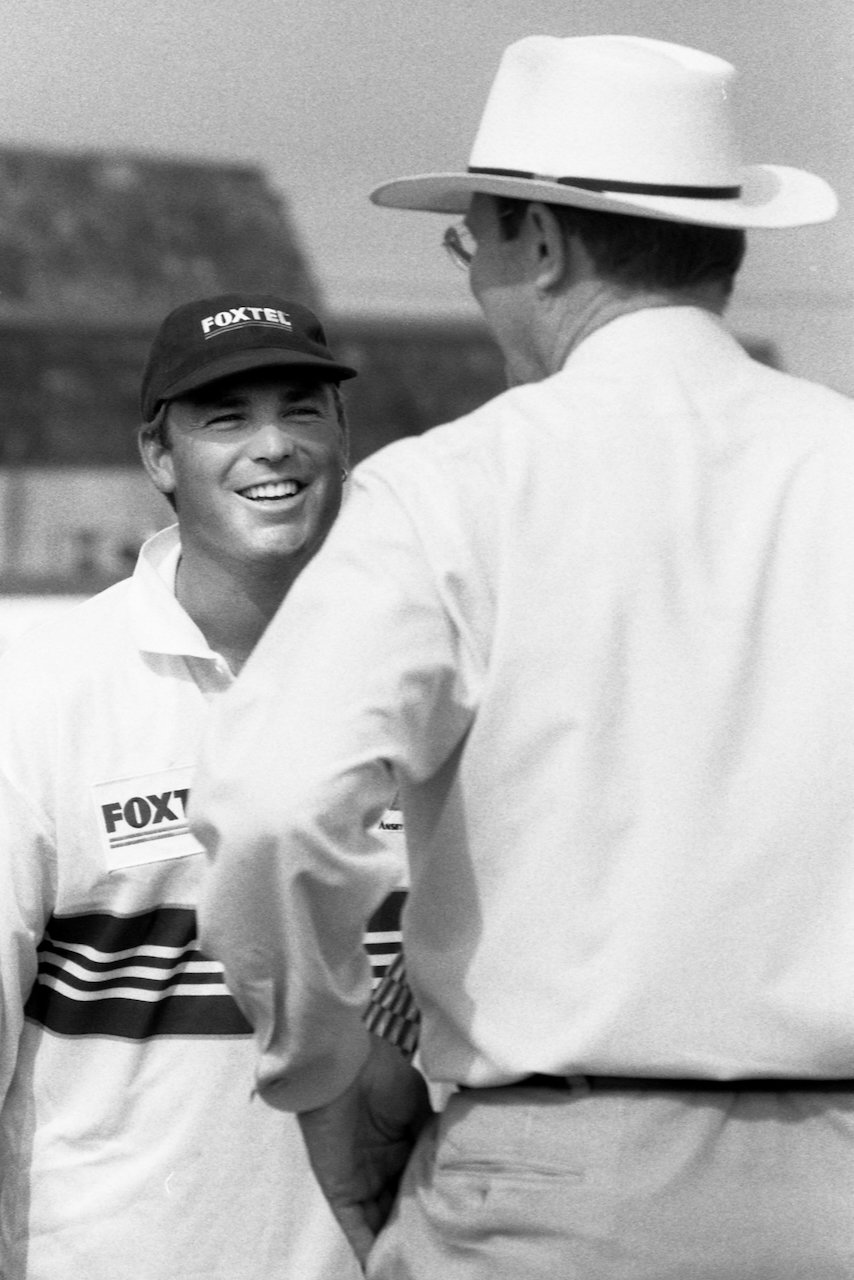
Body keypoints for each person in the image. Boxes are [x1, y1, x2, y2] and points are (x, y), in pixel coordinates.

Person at [193, 36, 854, 1280]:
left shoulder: (454, 487)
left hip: (553, 1184)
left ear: (540, 245)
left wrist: (325, 1067)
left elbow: (273, 811)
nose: (475, 278)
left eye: (474, 244)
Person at [0, 292, 412, 1280]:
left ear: (341, 436)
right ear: (157, 455)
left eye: (300, 409)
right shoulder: (45, 692)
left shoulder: (422, 681)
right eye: (226, 416)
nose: (271, 445)